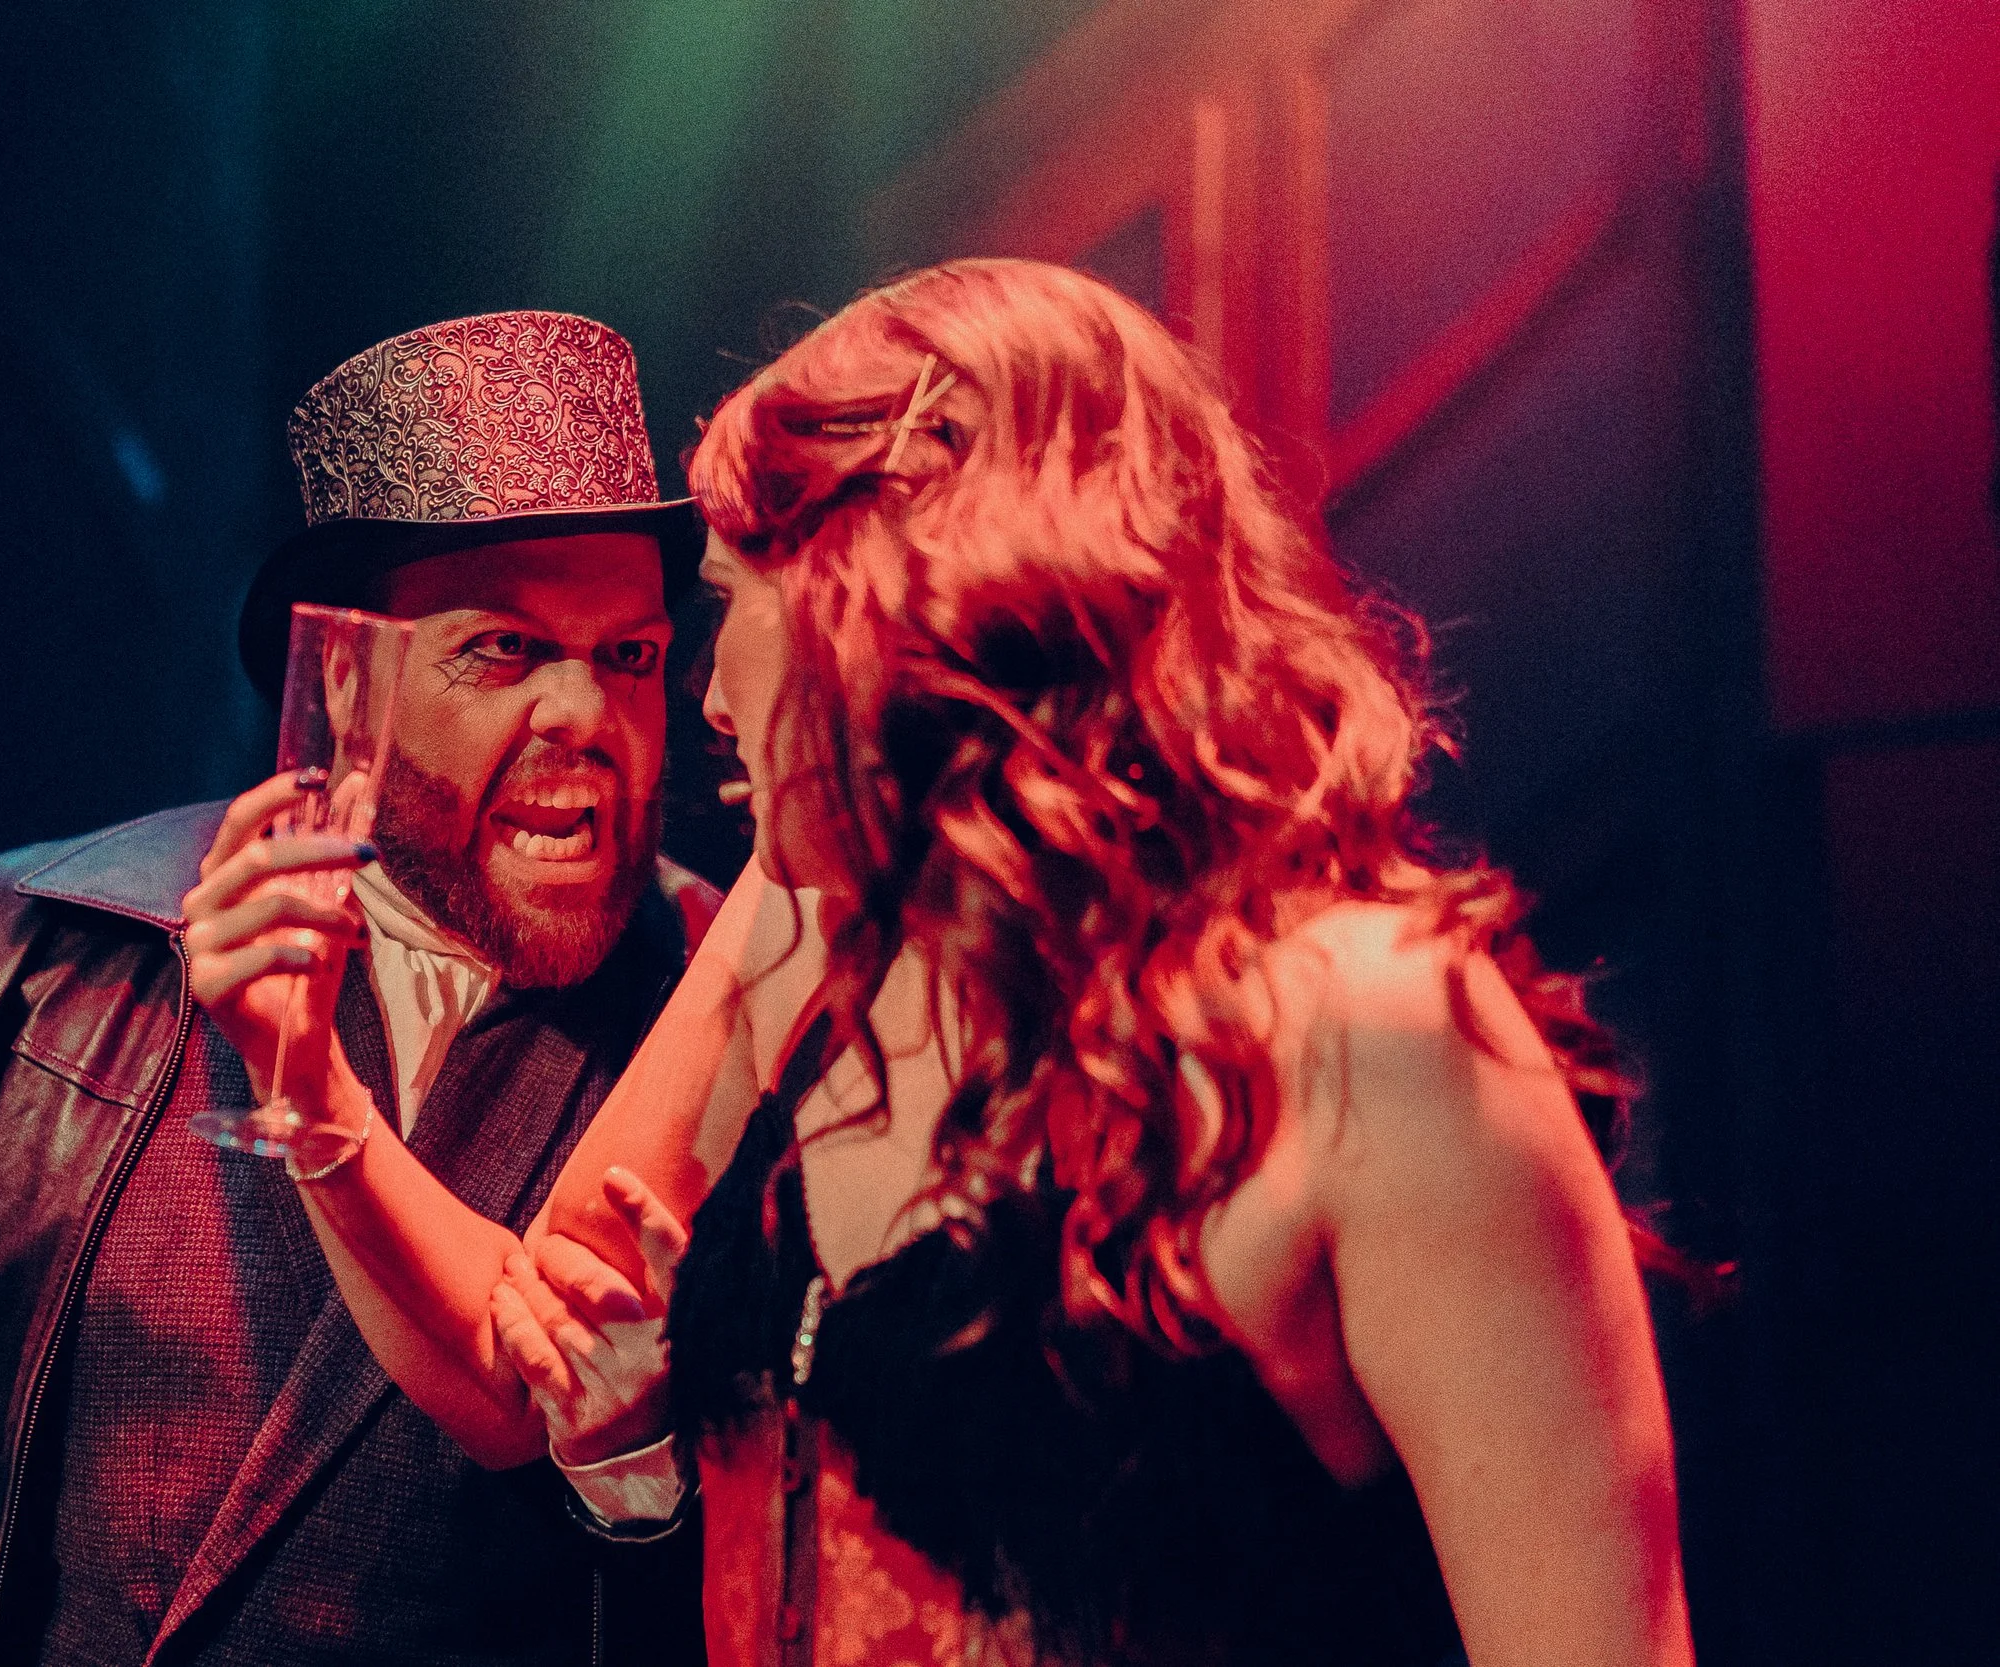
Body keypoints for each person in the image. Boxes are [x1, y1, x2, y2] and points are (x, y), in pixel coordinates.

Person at [248, 261, 1695, 1667]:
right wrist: (308, 1089)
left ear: (891, 602)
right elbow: (529, 1353)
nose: (707, 692)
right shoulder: (801, 931)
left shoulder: (1382, 1030)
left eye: (732, 603)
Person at [0, 310, 720, 1667]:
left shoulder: (719, 1027)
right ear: (352, 684)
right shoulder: (47, 942)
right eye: (503, 650)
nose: (585, 719)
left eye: (630, 656)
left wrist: (643, 1488)